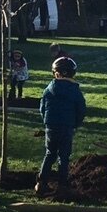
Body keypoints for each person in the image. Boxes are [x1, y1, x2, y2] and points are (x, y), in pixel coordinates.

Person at [35, 56, 86, 196]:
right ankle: (63, 185)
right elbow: (81, 109)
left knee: (49, 153)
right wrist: (76, 124)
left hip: (51, 127)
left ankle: (41, 183)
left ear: (55, 73)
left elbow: (42, 108)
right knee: (64, 156)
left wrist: (47, 122)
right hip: (67, 127)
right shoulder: (75, 91)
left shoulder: (49, 89)